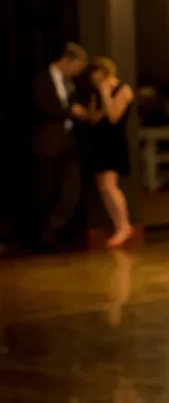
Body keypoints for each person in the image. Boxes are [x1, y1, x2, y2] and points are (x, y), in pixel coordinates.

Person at [30, 42, 89, 250]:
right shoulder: (41, 80)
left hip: (68, 143)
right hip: (47, 143)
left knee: (70, 190)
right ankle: (43, 237)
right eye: (77, 67)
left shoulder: (69, 83)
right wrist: (69, 112)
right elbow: (40, 107)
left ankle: (55, 227)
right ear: (66, 60)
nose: (78, 72)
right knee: (46, 190)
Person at [84, 57, 135, 248]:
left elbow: (114, 117)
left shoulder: (123, 88)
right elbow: (96, 118)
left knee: (110, 186)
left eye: (94, 73)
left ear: (103, 72)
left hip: (113, 142)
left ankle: (125, 225)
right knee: (102, 188)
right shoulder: (95, 92)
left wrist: (106, 94)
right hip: (99, 142)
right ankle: (118, 225)